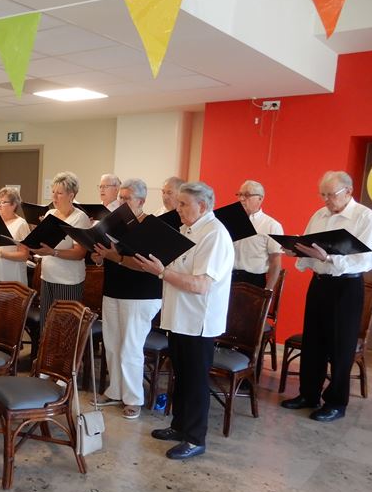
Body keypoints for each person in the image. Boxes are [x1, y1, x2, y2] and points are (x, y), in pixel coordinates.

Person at [137, 181, 234, 459]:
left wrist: (161, 272)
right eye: (178, 203)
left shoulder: (214, 234)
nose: (177, 208)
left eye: (183, 204)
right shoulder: (189, 230)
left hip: (197, 322)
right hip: (179, 317)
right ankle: (179, 426)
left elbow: (202, 285)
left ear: (202, 206)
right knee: (180, 376)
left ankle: (194, 438)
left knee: (195, 380)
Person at [280, 171, 372, 422]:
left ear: (348, 191)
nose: (325, 200)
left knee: (340, 346)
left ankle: (336, 402)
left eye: (330, 195)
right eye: (322, 194)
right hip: (320, 284)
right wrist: (296, 251)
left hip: (346, 288)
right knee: (313, 341)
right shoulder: (319, 215)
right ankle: (308, 394)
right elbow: (309, 246)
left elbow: (368, 259)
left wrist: (329, 258)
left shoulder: (364, 217)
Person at [91, 179, 162, 419]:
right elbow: (103, 254)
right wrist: (100, 256)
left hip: (141, 294)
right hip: (113, 289)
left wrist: (114, 257)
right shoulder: (113, 224)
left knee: (130, 347)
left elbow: (146, 265)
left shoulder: (151, 226)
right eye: (119, 198)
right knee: (111, 343)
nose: (120, 202)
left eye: (126, 198)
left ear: (140, 202)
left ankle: (133, 399)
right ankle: (115, 391)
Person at [23, 171, 90, 334]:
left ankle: (64, 360)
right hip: (47, 277)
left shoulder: (80, 218)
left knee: (64, 326)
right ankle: (47, 359)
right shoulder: (50, 214)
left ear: (71, 195)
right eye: (53, 192)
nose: (54, 197)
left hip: (68, 280)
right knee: (47, 324)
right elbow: (43, 243)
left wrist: (53, 252)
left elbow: (79, 253)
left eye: (59, 193)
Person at [232, 180, 283, 290]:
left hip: (254, 281)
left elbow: (275, 262)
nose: (241, 199)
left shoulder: (271, 225)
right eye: (239, 194)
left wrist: (268, 291)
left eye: (246, 195)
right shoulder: (232, 220)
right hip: (229, 277)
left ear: (260, 198)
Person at [0, 186, 31, 284]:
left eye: (3, 202)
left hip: (13, 274)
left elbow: (24, 255)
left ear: (14, 205)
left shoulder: (21, 224)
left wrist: (0, 254)